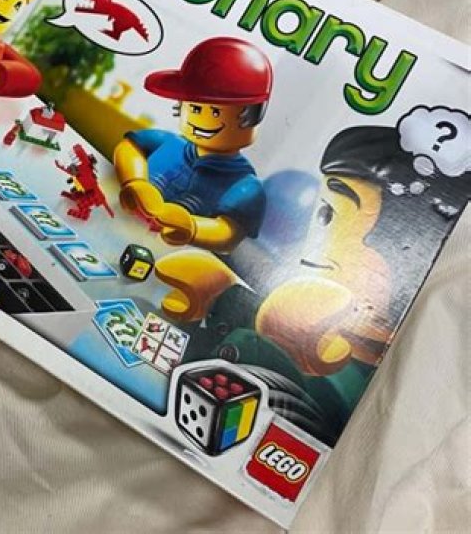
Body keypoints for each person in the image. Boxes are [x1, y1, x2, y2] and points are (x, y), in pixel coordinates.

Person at [160, 126, 469, 441]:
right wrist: (215, 299)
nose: (316, 246)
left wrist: (272, 339)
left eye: (330, 216)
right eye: (321, 215)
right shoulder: (286, 299)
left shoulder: (375, 382)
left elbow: (305, 420)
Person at [114, 37, 272, 320]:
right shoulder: (170, 143)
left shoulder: (246, 186)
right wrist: (134, 181)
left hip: (168, 275)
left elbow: (228, 234)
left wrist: (192, 227)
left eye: (215, 112)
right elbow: (129, 147)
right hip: (115, 232)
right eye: (196, 108)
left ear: (251, 116)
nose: (201, 120)